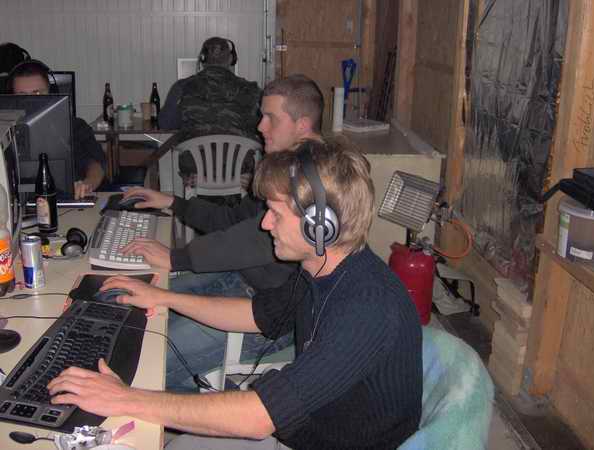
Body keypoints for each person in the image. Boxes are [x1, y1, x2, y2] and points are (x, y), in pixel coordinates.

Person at [48, 139, 423, 450]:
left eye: (275, 213)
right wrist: (163, 297)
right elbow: (256, 314)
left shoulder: (368, 307)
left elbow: (259, 418)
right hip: (305, 427)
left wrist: (124, 398)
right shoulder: (320, 271)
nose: (265, 223)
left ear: (319, 226)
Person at [120, 75, 324, 391]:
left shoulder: (319, 180)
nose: (260, 126)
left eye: (270, 117)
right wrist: (173, 202)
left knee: (143, 361)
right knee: (133, 319)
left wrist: (176, 258)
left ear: (302, 125)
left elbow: (253, 239)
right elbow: (232, 219)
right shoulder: (283, 168)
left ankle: (202, 405)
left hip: (264, 316)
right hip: (239, 279)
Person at [159, 36, 262, 191]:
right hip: (239, 175)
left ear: (202, 59)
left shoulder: (182, 87)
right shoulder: (252, 90)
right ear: (231, 59)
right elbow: (261, 127)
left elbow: (165, 123)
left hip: (196, 174)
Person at [9, 60, 106, 199]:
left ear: (51, 93)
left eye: (37, 93)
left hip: (66, 200)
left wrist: (87, 184)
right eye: (22, 95)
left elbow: (96, 164)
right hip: (13, 203)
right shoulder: (4, 131)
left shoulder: (75, 126)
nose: (30, 101)